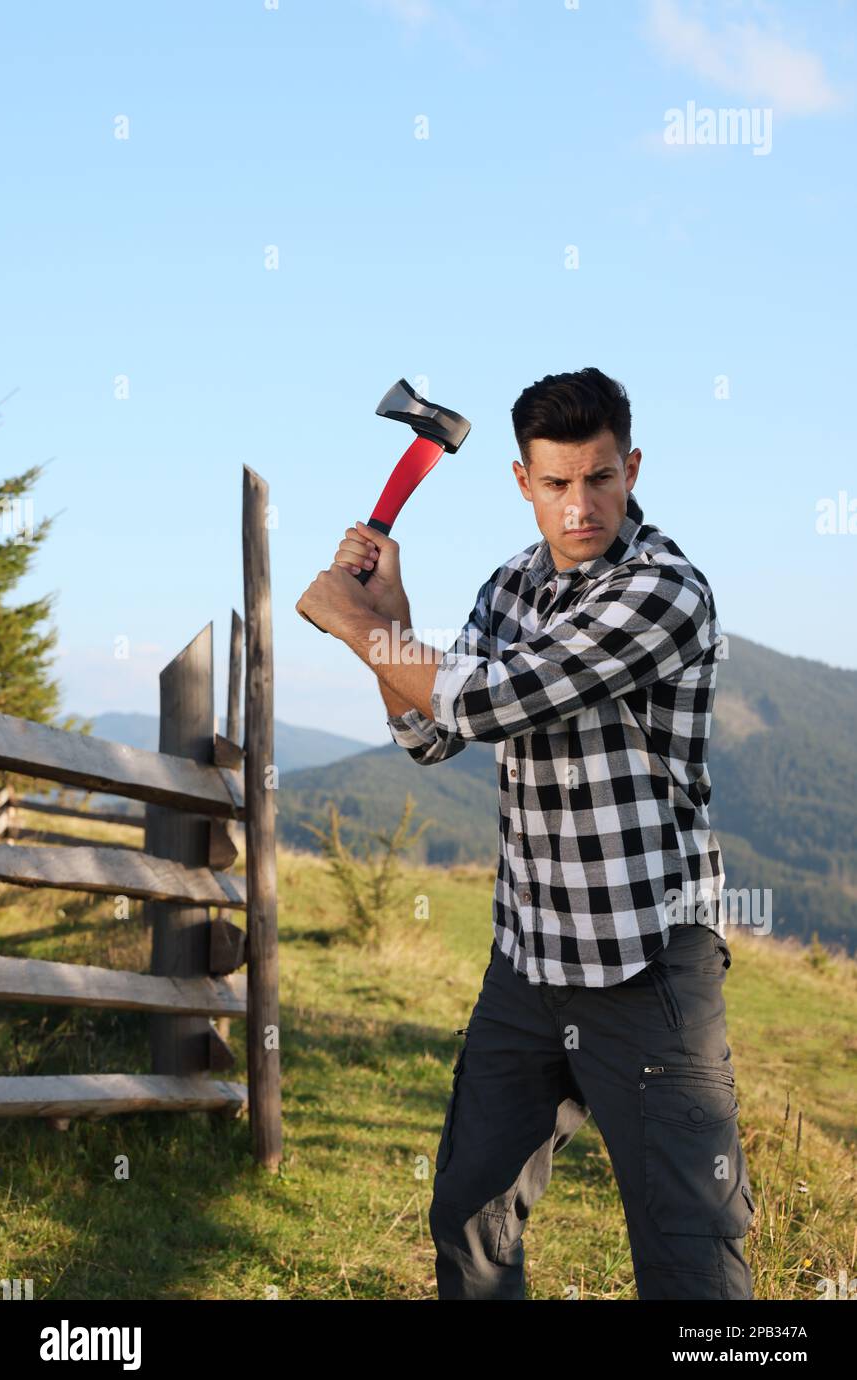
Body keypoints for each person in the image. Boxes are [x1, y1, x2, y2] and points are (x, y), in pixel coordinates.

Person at [296, 366, 755, 1300]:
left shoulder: (661, 590)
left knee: (685, 1247)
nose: (579, 505)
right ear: (521, 481)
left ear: (630, 467)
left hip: (645, 962)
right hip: (529, 959)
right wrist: (393, 619)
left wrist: (351, 624)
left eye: (598, 478)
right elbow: (431, 731)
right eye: (556, 483)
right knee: (469, 1212)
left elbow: (495, 698)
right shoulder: (510, 584)